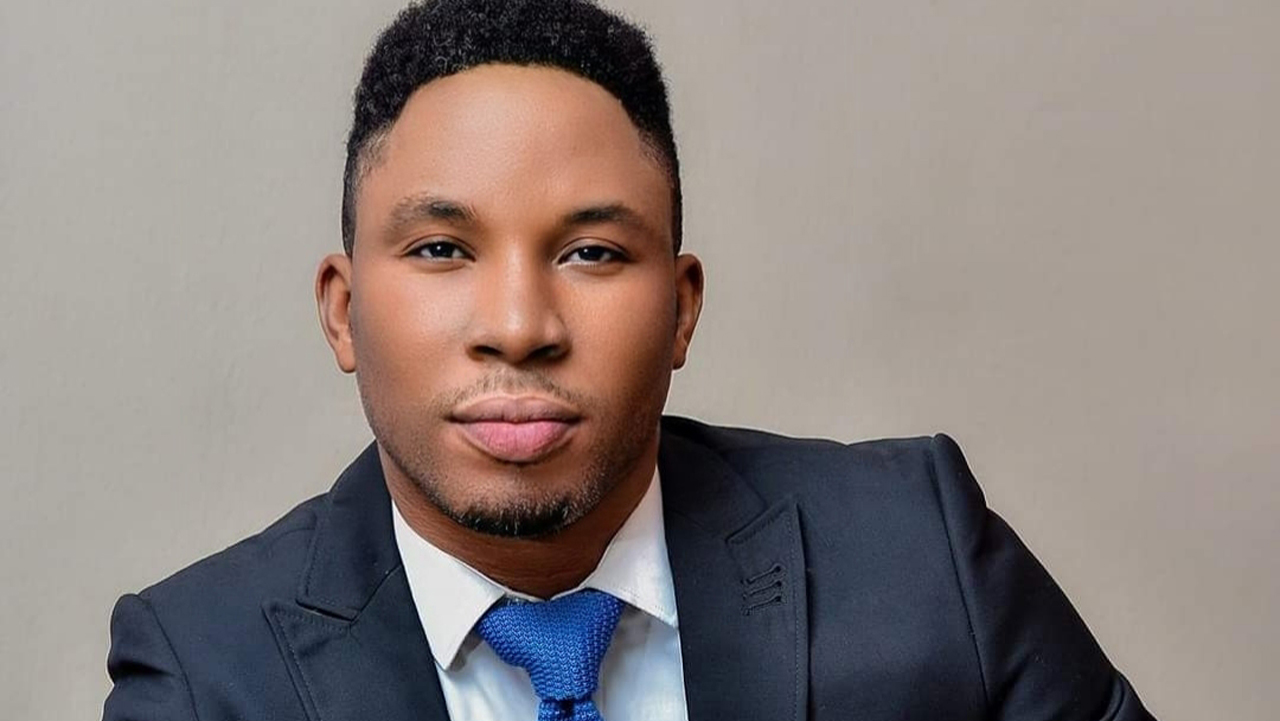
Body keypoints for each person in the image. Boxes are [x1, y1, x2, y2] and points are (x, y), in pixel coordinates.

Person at [102, 1, 1156, 719]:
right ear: (343, 313)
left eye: (592, 253)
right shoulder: (204, 673)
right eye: (441, 250)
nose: (519, 325)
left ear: (681, 310)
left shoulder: (917, 553)